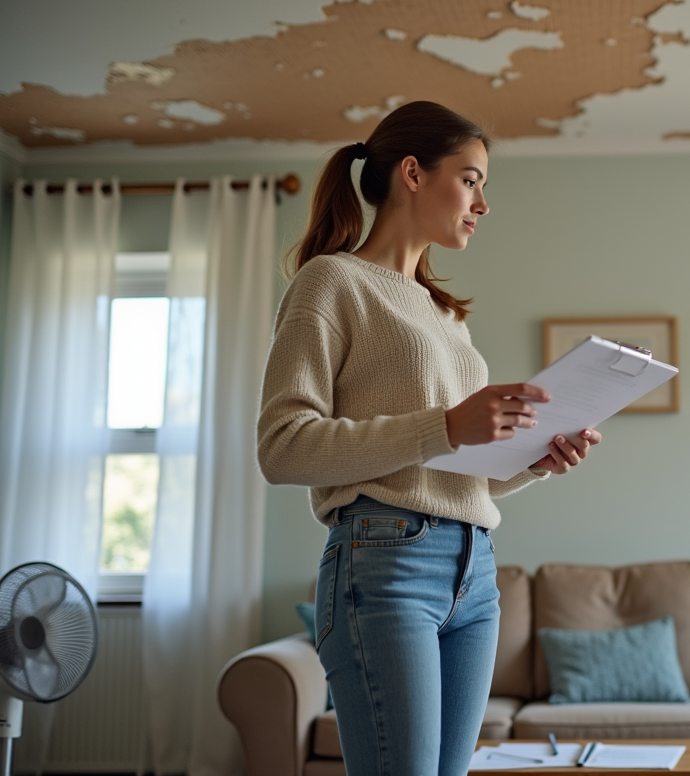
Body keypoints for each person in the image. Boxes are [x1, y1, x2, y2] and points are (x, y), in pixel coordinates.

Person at [256, 100, 601, 776]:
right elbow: (283, 446)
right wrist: (444, 425)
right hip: (385, 565)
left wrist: (535, 462)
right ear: (412, 173)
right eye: (471, 179)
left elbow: (451, 468)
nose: (483, 202)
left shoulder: (445, 315)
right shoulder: (331, 281)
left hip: (475, 570)